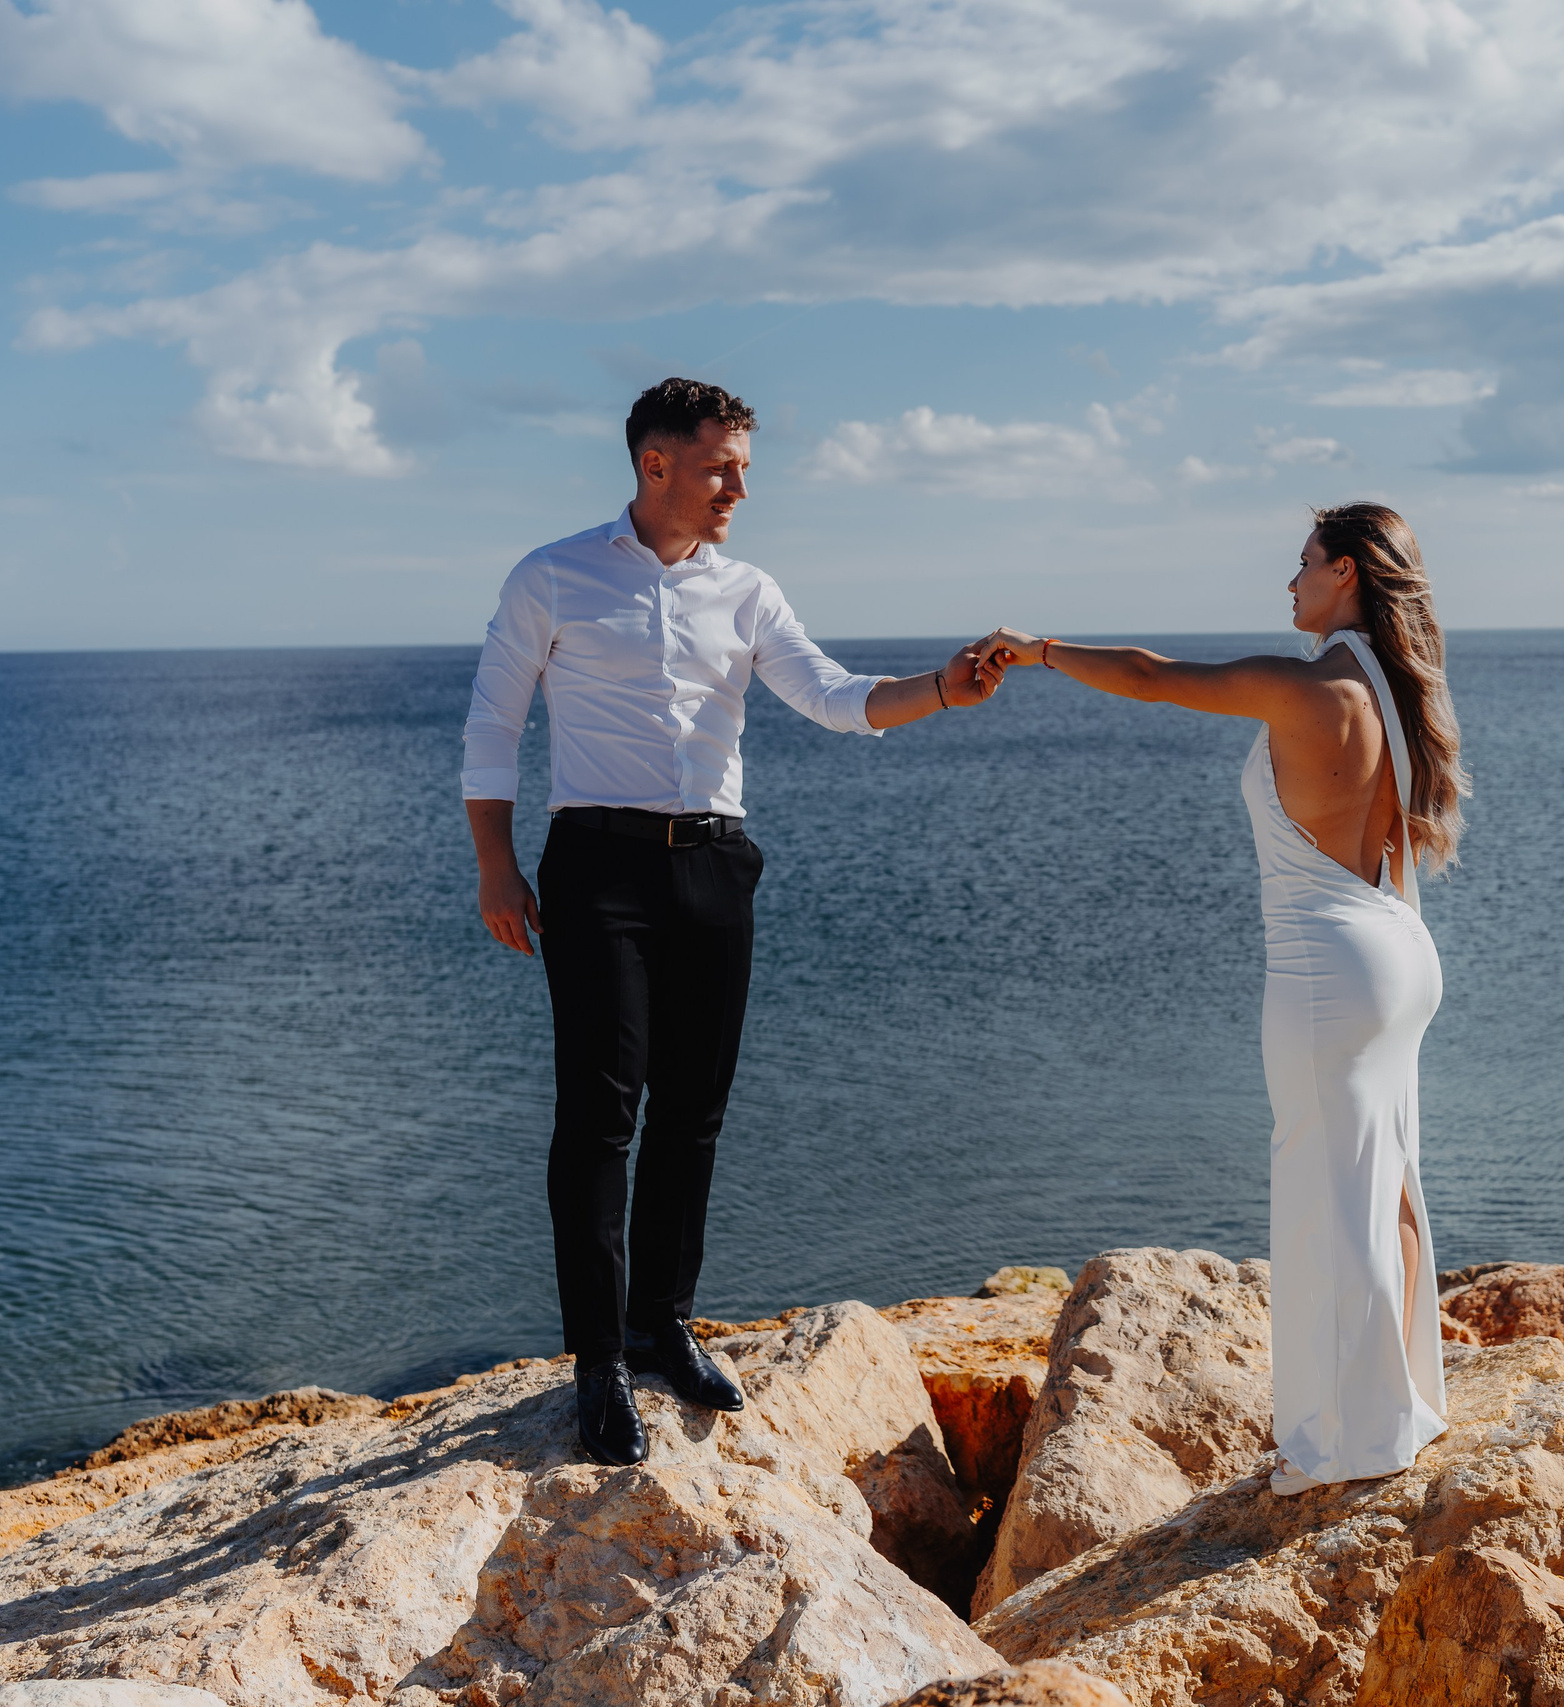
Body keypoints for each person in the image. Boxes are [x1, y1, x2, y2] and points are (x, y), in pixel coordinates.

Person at [461, 377, 1002, 1467]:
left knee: (694, 1113)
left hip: (715, 865)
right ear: (654, 463)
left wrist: (942, 688)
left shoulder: (749, 590)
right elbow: (491, 728)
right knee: (599, 1114)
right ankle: (597, 1361)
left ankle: (662, 1326)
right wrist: (496, 869)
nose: (739, 490)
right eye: (721, 468)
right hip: (597, 868)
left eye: (744, 469)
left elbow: (835, 697)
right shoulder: (551, 575)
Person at [979, 502, 1469, 1492]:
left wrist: (1041, 651)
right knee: (1389, 1185)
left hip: (1329, 969)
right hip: (1400, 952)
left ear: (1345, 572)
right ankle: (1404, 1405)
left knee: (1326, 1198)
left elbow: (1151, 675)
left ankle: (1350, 1442)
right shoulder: (1399, 689)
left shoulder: (1308, 686)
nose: (1290, 581)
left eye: (1303, 563)